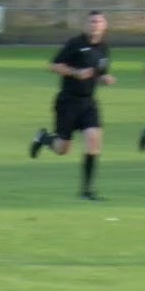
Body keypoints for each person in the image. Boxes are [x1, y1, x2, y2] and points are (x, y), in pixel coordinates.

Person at [29, 11, 114, 201]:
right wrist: (76, 72)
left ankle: (87, 191)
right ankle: (43, 138)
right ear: (86, 25)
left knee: (94, 142)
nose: (95, 25)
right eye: (91, 21)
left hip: (88, 103)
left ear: (104, 25)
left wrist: (104, 78)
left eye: (98, 21)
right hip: (68, 101)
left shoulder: (104, 50)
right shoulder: (75, 43)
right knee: (62, 149)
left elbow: (99, 73)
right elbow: (54, 65)